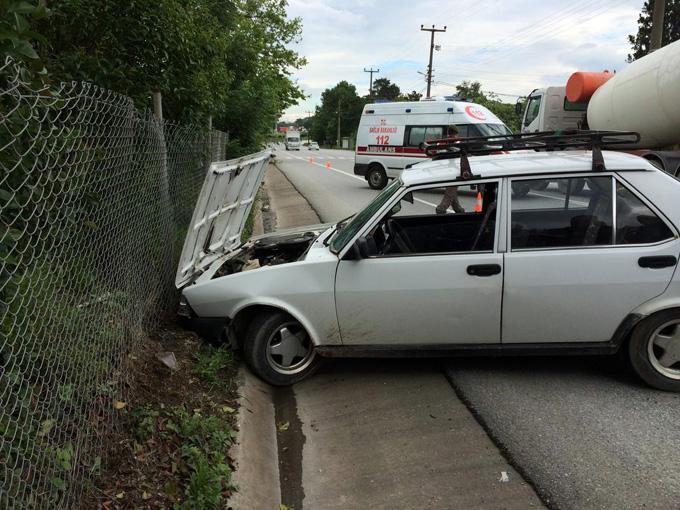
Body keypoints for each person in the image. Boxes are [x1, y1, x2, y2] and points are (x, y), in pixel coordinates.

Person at [436, 125, 465, 214]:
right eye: (455, 134)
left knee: (452, 190)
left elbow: (437, 152)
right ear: (454, 134)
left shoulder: (442, 142)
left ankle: (458, 210)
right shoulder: (458, 143)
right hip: (455, 170)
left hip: (443, 169)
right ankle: (441, 208)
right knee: (451, 190)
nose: (456, 136)